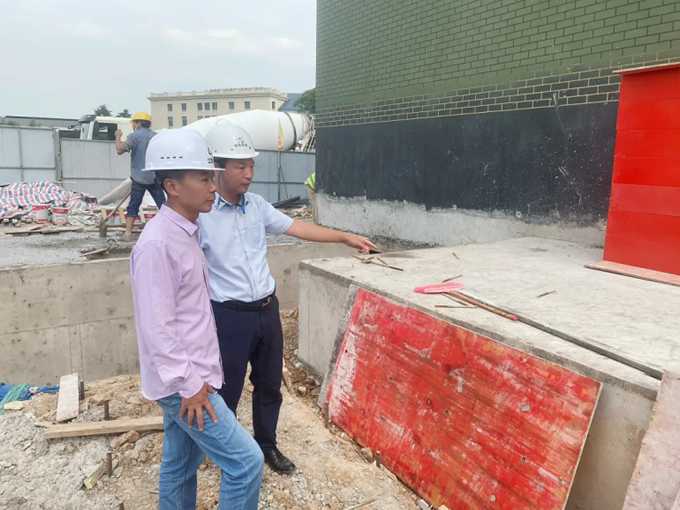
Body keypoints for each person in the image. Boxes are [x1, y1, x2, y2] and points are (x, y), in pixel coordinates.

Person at [198, 123, 376, 474]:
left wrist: (343, 237)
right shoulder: (202, 215)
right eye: (240, 166)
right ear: (218, 168)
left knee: (269, 385)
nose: (249, 173)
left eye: (251, 165)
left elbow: (297, 227)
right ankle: (227, 452)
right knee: (226, 389)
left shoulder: (257, 206)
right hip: (229, 316)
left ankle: (267, 446)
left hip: (266, 310)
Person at [130, 129, 263, 510]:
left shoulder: (186, 231)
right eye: (204, 178)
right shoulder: (158, 244)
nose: (213, 187)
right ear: (171, 186)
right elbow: (157, 329)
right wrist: (190, 386)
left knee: (180, 464)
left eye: (211, 177)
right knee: (245, 463)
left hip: (194, 374)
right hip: (184, 383)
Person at [116, 110, 166, 239]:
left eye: (133, 123)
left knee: (133, 205)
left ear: (138, 123)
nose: (133, 126)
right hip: (155, 177)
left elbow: (119, 150)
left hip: (138, 177)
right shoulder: (157, 137)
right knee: (163, 205)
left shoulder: (132, 137)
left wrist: (117, 136)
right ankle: (168, 231)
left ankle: (128, 232)